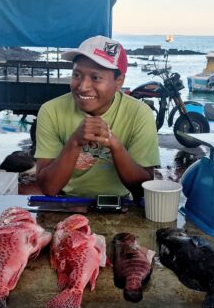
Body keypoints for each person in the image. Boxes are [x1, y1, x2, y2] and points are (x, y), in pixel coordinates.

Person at [34, 35, 160, 201]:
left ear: (119, 82)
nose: (83, 87)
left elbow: (143, 190)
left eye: (96, 78)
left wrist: (114, 145)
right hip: (67, 201)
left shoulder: (139, 113)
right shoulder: (51, 111)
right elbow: (48, 188)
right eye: (77, 75)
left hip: (120, 203)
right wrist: (75, 142)